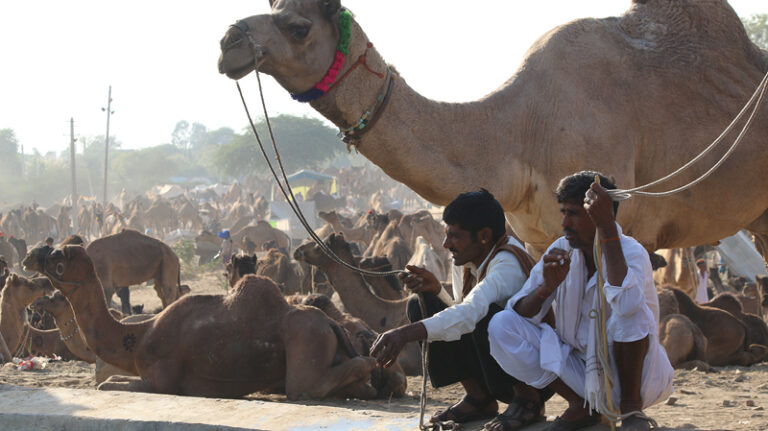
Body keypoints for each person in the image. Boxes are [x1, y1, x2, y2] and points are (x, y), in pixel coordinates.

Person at [487, 171, 674, 431]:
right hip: (581, 374)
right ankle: (581, 406)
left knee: (628, 309)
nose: (564, 222)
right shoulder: (561, 249)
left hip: (635, 378)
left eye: (573, 213)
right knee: (502, 324)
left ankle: (632, 411)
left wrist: (607, 228)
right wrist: (545, 289)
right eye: (563, 212)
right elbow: (521, 312)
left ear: (598, 215)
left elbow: (629, 306)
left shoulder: (631, 252)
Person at [370, 189, 551, 430]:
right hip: (494, 364)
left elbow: (469, 315)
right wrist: (437, 292)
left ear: (484, 236)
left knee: (492, 317)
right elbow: (461, 310)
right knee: (420, 303)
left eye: (454, 237)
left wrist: (404, 334)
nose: (446, 244)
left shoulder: (506, 264)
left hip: (535, 374)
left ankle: (529, 400)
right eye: (446, 235)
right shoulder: (467, 259)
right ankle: (479, 398)